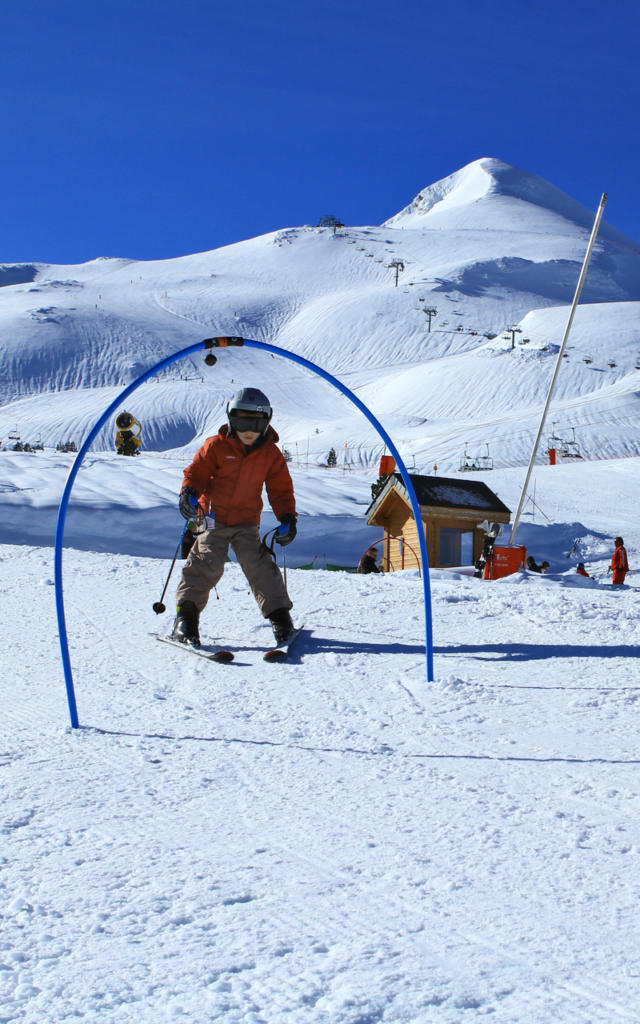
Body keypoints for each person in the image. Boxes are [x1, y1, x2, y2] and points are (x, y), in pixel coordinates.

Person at [171, 388, 297, 647]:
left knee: (259, 565)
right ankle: (186, 619)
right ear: (231, 420)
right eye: (241, 422)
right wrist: (189, 492)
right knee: (206, 561)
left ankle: (280, 618)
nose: (248, 430)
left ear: (267, 422)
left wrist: (288, 517)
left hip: (246, 521)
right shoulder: (216, 446)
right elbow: (196, 472)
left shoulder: (270, 455)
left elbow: (280, 489)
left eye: (256, 423)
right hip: (213, 518)